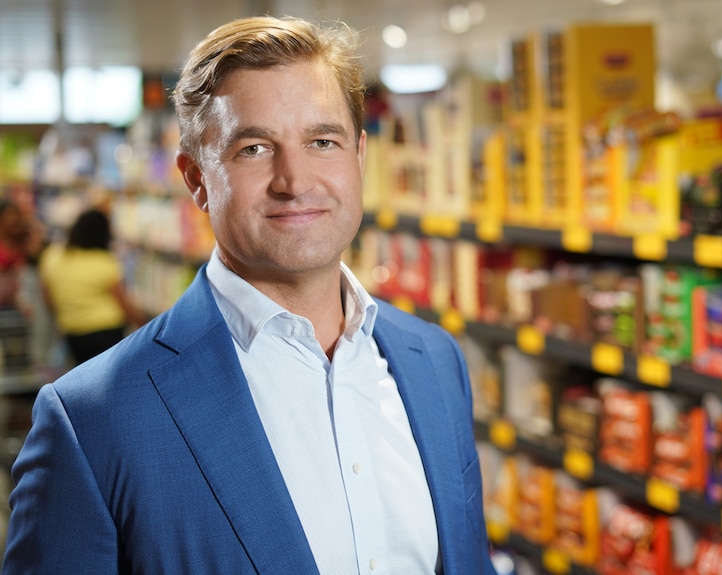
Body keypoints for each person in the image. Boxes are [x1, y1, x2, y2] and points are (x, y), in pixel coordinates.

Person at [3, 14, 496, 575]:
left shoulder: (432, 361)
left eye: (322, 141)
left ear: (359, 157)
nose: (296, 180)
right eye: (254, 149)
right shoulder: (94, 420)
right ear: (196, 179)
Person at [38, 207, 145, 365]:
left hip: (72, 332)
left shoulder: (52, 256)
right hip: (108, 332)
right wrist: (143, 326)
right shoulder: (106, 262)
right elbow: (123, 303)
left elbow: (48, 298)